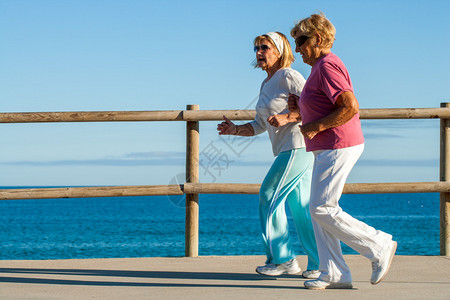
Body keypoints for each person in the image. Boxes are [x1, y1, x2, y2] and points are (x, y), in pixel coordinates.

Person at [287, 13, 397, 289]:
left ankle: (378, 244)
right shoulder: (320, 68)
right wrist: (300, 108)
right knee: (319, 209)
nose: (297, 48)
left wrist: (315, 126)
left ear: (319, 39)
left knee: (322, 207)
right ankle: (334, 272)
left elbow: (350, 106)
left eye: (300, 40)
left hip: (338, 144)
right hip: (329, 146)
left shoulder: (327, 66)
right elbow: (326, 103)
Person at [217, 32, 319, 278]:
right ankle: (320, 264)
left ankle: (283, 260)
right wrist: (235, 130)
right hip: (287, 150)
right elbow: (260, 125)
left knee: (268, 195)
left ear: (280, 51)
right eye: (256, 48)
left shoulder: (289, 76)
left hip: (297, 146)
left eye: (265, 47)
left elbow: (315, 106)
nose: (259, 52)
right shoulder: (266, 84)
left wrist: (288, 117)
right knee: (301, 209)